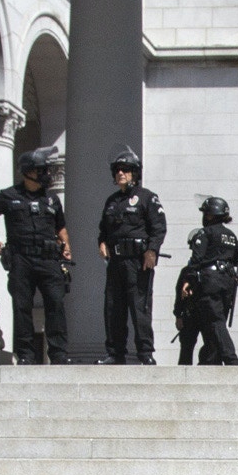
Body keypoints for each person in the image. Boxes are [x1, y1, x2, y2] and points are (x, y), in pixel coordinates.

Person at [0, 150, 70, 365]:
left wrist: (67, 251)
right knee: (22, 307)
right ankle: (26, 355)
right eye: (40, 171)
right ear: (28, 172)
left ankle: (58, 354)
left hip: (49, 259)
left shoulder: (51, 199)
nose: (45, 175)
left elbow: (61, 228)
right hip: (21, 259)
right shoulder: (8, 195)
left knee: (55, 304)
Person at [96, 146, 167, 366]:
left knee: (140, 308)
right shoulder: (112, 202)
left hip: (139, 262)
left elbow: (159, 227)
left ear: (135, 173)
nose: (120, 174)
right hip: (116, 262)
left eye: (125, 170)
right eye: (117, 170)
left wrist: (152, 250)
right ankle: (116, 353)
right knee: (113, 308)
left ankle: (145, 353)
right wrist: (101, 243)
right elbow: (103, 231)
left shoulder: (147, 198)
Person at [176, 197, 238, 365]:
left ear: (210, 215)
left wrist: (189, 280)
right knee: (216, 322)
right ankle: (212, 362)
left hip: (210, 284)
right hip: (227, 283)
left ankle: (232, 361)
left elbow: (196, 260)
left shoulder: (205, 233)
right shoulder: (230, 235)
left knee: (215, 323)